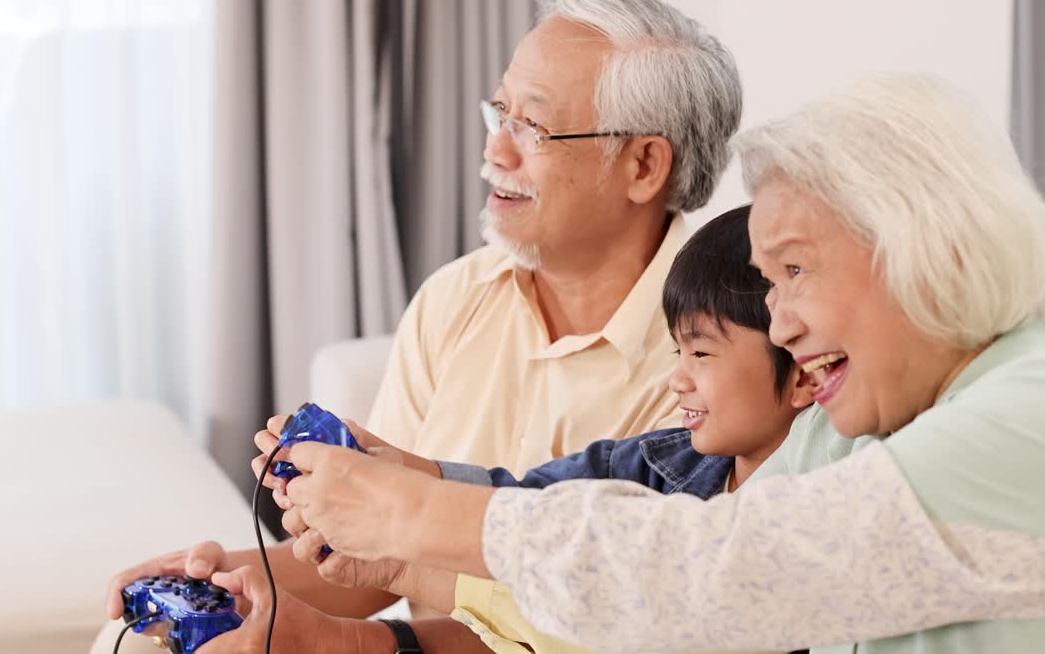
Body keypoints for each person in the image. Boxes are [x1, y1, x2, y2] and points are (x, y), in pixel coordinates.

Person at [274, 73, 1045, 653]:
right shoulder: (864, 420)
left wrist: (410, 518)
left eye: (797, 271)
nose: (778, 322)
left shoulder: (1022, 416)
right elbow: (668, 594)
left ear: (929, 246)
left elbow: (707, 568)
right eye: (770, 284)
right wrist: (407, 561)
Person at [97, 0, 743, 652]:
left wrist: (344, 643)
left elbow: (591, 628)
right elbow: (370, 554)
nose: (496, 152)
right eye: (500, 112)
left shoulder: (714, 363)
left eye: (533, 127)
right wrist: (231, 577)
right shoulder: (458, 297)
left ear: (644, 165)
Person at [212, 204, 815, 654]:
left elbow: (619, 601)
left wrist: (401, 558)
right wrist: (401, 478)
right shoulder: (662, 458)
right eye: (678, 354)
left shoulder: (811, 525)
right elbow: (527, 507)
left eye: (701, 357)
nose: (676, 381)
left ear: (804, 372)